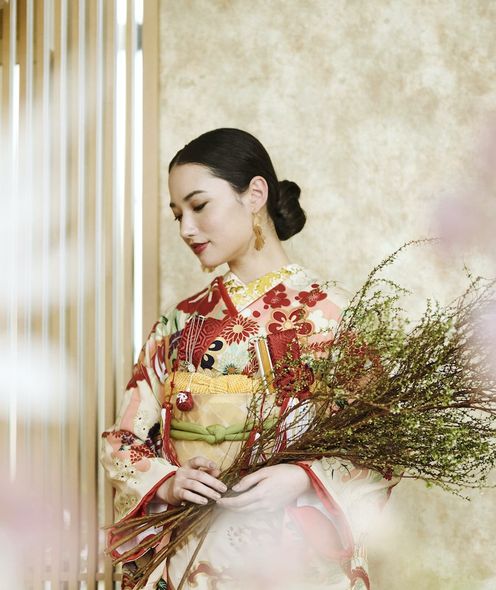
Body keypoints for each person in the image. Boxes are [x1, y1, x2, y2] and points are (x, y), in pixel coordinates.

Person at [101, 128, 397, 590]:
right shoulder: (179, 322)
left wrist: (304, 477)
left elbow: (381, 443)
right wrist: (168, 482)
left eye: (199, 206)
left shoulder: (331, 314)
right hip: (192, 556)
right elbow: (124, 440)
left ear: (255, 194)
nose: (185, 229)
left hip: (292, 558)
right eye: (177, 214)